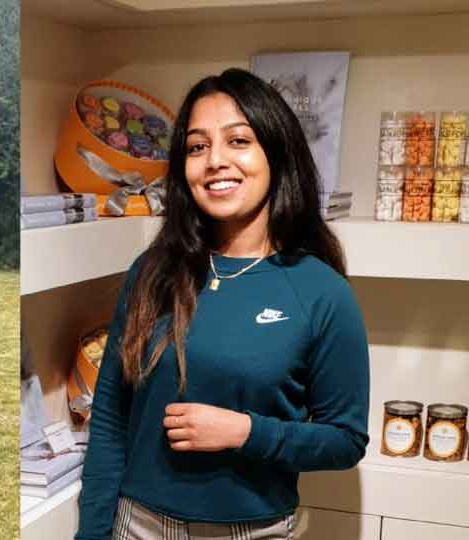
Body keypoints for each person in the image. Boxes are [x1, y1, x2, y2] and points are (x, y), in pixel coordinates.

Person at [75, 68, 370, 540]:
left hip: (254, 531)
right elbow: (111, 418)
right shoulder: (151, 272)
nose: (214, 161)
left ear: (276, 152)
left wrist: (245, 432)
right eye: (196, 147)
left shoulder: (321, 291)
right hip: (137, 527)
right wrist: (91, 534)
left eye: (238, 141)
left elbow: (346, 441)